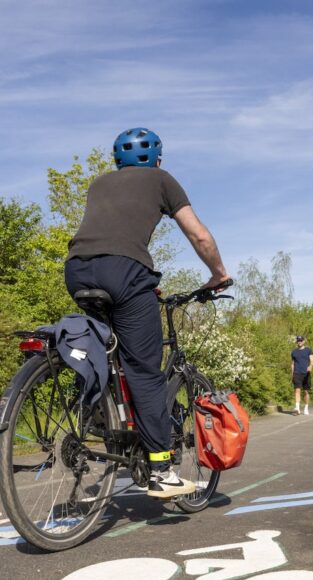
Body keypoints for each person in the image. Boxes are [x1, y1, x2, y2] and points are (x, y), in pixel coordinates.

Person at [64, 127, 230, 498]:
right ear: (156, 158)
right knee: (144, 370)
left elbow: (107, 237)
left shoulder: (99, 183)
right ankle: (160, 468)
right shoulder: (161, 179)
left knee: (107, 350)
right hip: (125, 272)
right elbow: (199, 236)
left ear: (117, 161)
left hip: (76, 270)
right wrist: (218, 274)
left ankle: (97, 415)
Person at [290, 335, 313, 415]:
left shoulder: (308, 350)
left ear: (304, 341)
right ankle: (297, 408)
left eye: (301, 340)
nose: (299, 342)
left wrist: (310, 366)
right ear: (297, 342)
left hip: (306, 373)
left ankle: (306, 407)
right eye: (298, 340)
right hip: (297, 373)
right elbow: (293, 364)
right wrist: (292, 374)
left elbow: (312, 360)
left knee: (306, 392)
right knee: (297, 390)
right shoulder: (294, 352)